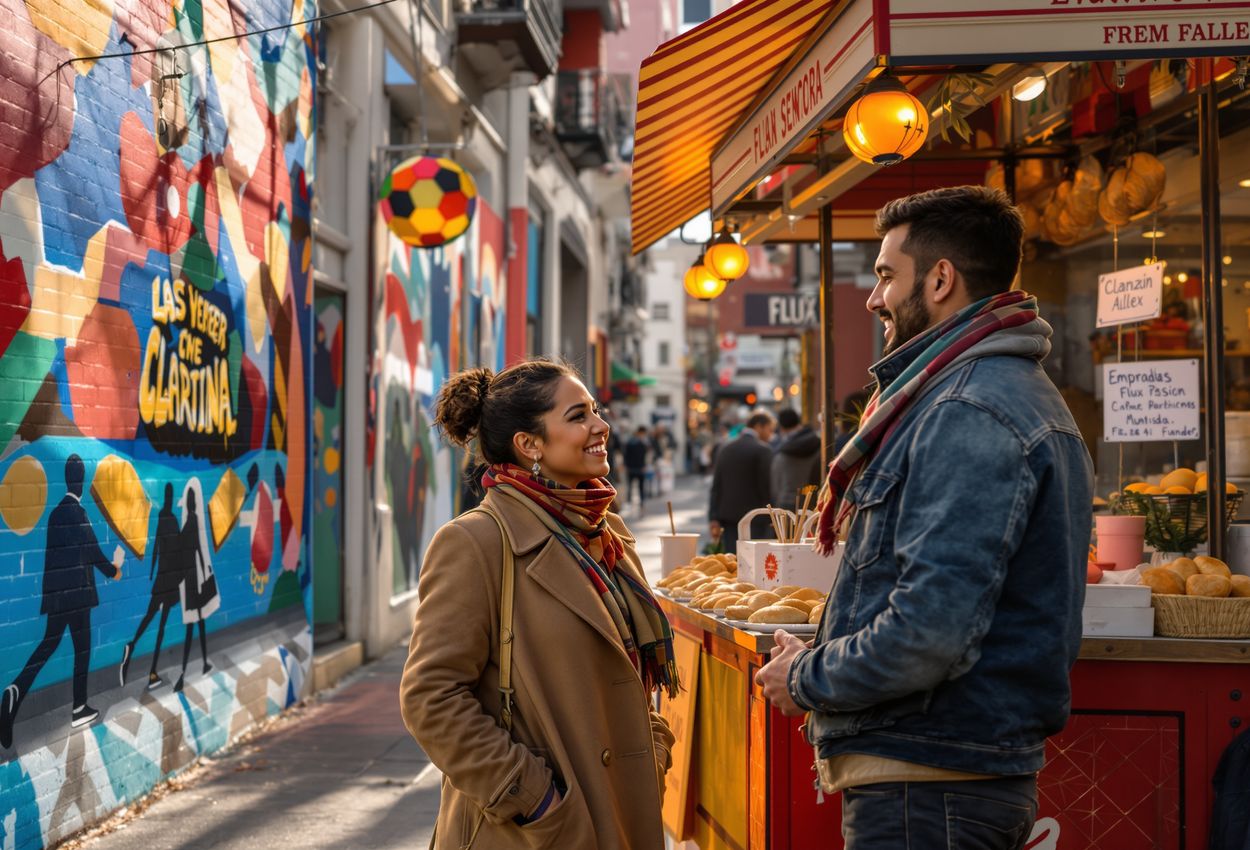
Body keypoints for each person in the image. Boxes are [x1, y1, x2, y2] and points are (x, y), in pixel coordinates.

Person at [756, 186, 1094, 850]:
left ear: (941, 279)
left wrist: (806, 677)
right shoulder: (971, 394)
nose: (873, 297)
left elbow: (927, 631)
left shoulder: (967, 409)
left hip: (932, 786)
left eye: (886, 275)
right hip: (940, 779)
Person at [401, 359, 677, 849]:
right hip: (535, 831)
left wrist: (651, 747)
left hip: (619, 810)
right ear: (529, 445)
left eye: (595, 410)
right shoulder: (477, 542)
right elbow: (431, 697)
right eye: (577, 416)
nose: (601, 426)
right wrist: (534, 799)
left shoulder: (606, 533)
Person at [1, 455, 124, 748]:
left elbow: (52, 559)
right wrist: (115, 569)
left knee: (47, 645)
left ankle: (15, 690)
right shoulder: (80, 515)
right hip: (78, 597)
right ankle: (79, 708)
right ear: (80, 483)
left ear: (66, 480)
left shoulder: (56, 514)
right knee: (82, 651)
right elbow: (94, 554)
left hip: (57, 599)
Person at [120, 483, 185, 691]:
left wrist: (152, 572)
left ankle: (132, 644)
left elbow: (157, 546)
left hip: (161, 579)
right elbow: (175, 551)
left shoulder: (162, 517)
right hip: (170, 580)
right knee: (161, 626)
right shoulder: (172, 519)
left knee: (149, 616)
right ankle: (152, 672)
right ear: (171, 498)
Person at [708, 410, 776, 556]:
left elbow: (716, 486)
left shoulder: (725, 448)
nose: (770, 435)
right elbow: (767, 487)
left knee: (733, 564)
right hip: (756, 519)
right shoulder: (763, 450)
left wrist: (713, 517)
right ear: (759, 426)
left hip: (729, 518)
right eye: (769, 429)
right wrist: (773, 515)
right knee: (755, 564)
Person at [174, 479, 219, 693]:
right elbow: (200, 552)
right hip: (196, 579)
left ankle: (199, 664)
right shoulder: (194, 521)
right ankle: (186, 671)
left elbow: (183, 547)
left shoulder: (187, 523)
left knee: (196, 623)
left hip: (190, 579)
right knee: (195, 624)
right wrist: (206, 571)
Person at [771, 408, 823, 507]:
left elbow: (776, 485)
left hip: (787, 504)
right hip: (813, 503)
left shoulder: (782, 452)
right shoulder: (818, 443)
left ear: (781, 427)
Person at [622, 426, 650, 508]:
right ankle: (637, 502)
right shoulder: (639, 443)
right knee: (636, 486)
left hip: (635, 467)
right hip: (635, 468)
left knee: (634, 486)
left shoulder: (632, 442)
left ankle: (636, 502)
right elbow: (627, 455)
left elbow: (626, 455)